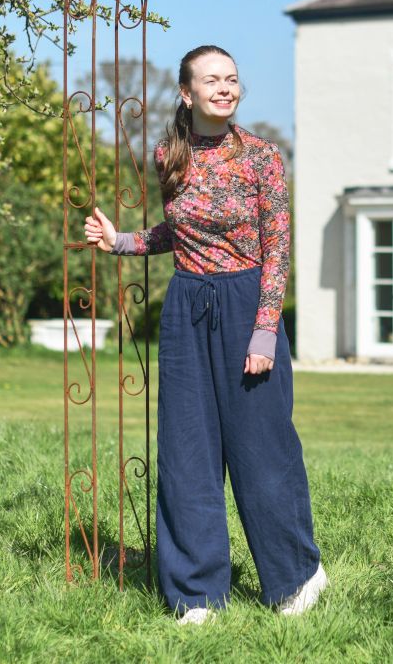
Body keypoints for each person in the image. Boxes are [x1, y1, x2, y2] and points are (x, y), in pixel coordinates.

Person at [84, 44, 326, 624]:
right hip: (187, 306)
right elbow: (181, 233)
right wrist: (122, 242)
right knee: (187, 452)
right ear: (187, 93)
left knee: (261, 450)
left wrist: (264, 331)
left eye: (232, 79)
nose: (225, 88)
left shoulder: (262, 157)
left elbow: (277, 249)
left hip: (247, 304)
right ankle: (195, 593)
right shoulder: (168, 155)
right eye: (212, 80)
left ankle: (296, 576)